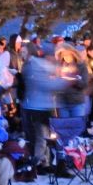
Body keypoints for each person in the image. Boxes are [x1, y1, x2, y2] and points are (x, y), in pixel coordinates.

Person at [21, 43, 70, 172]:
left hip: (45, 106)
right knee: (41, 137)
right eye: (53, 56)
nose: (54, 59)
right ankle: (37, 163)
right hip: (36, 107)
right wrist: (66, 82)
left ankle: (45, 162)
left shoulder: (43, 65)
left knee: (47, 136)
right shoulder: (35, 66)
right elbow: (46, 85)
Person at [54, 44, 88, 118]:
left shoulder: (80, 65)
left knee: (77, 126)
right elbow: (55, 84)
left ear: (72, 53)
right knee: (64, 127)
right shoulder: (58, 66)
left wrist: (74, 79)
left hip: (76, 102)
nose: (65, 57)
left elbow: (84, 84)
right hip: (62, 102)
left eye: (67, 54)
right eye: (63, 55)